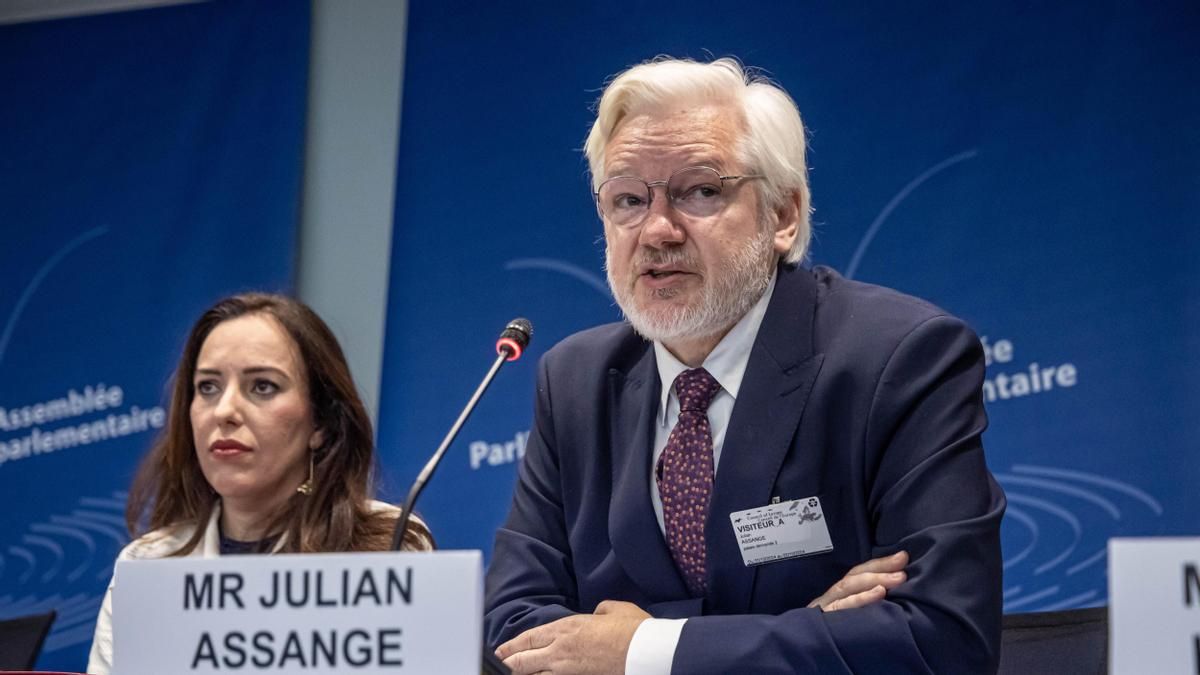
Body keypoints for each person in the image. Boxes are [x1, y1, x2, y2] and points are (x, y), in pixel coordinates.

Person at [484, 57, 1005, 674]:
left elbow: (941, 639)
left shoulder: (900, 358)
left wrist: (640, 650)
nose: (656, 230)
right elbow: (512, 632)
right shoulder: (575, 381)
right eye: (627, 199)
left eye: (701, 191)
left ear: (783, 215)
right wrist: (806, 632)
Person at [87, 293, 432, 675]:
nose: (224, 411)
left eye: (262, 387)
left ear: (320, 423)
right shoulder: (147, 566)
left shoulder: (389, 545)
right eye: (208, 387)